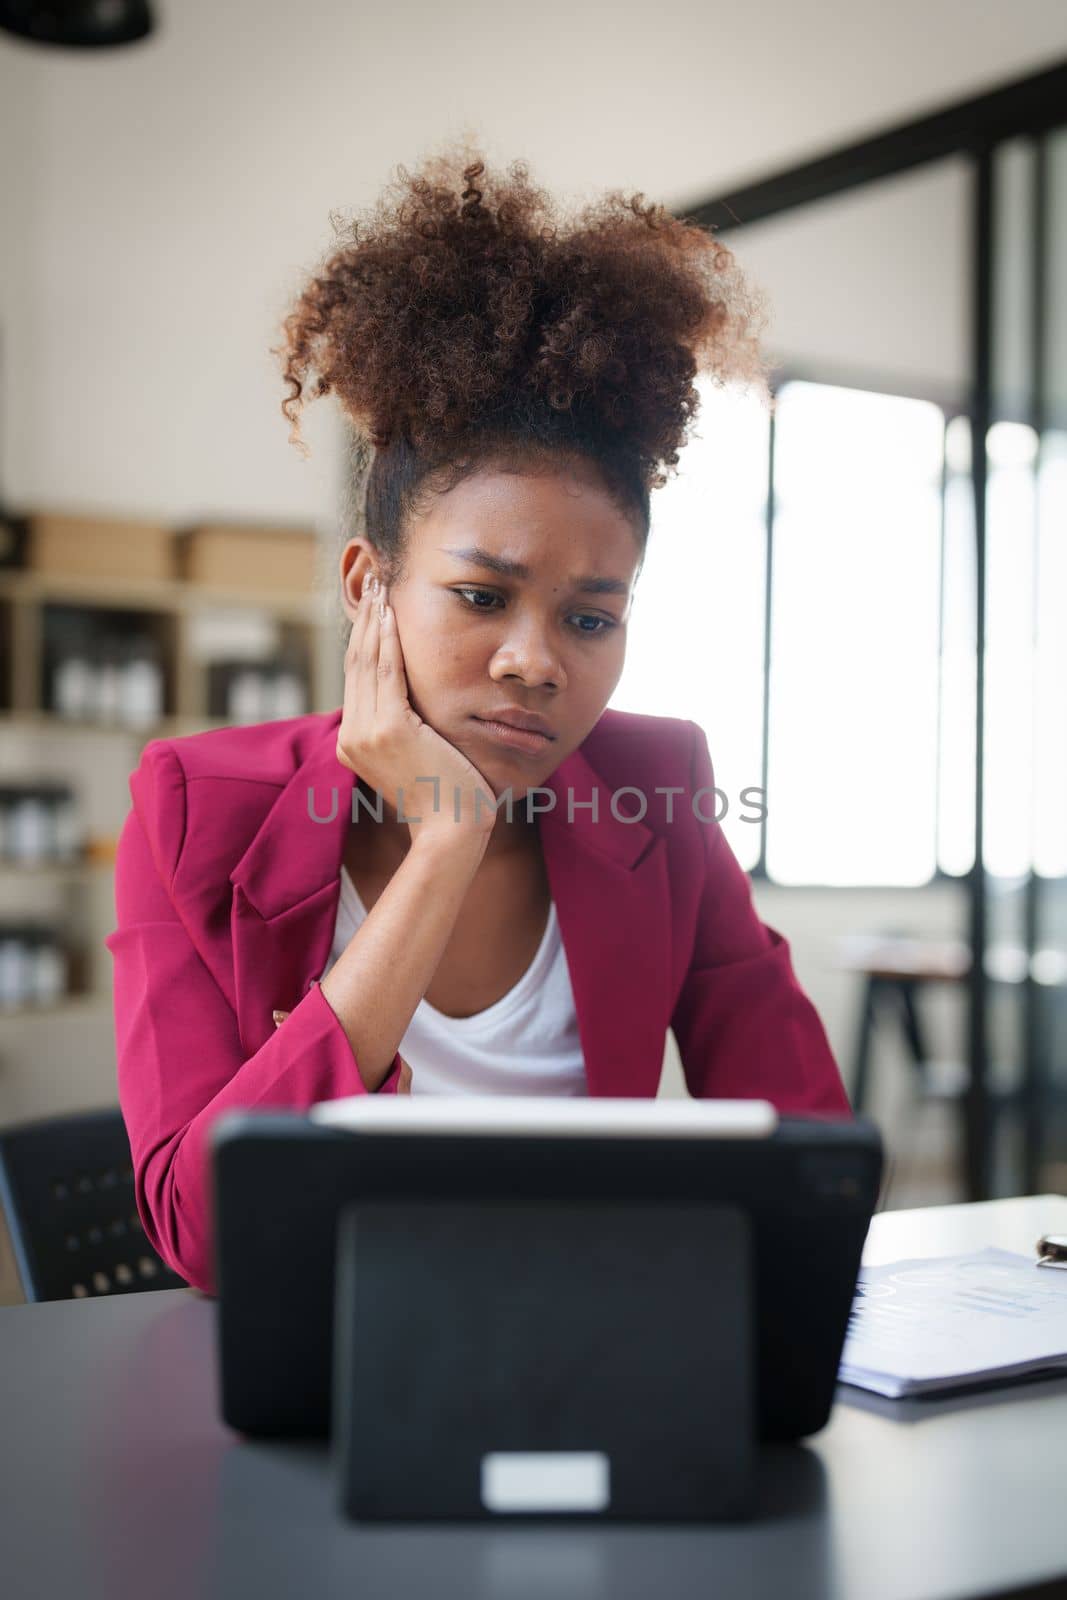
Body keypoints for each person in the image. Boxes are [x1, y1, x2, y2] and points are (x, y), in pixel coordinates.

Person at [105, 146, 850, 1297]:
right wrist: (443, 844)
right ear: (366, 587)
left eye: (590, 618)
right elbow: (204, 1232)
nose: (532, 661)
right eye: (480, 595)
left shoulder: (661, 780)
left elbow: (808, 1151)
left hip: (587, 1348)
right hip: (323, 1366)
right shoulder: (196, 805)